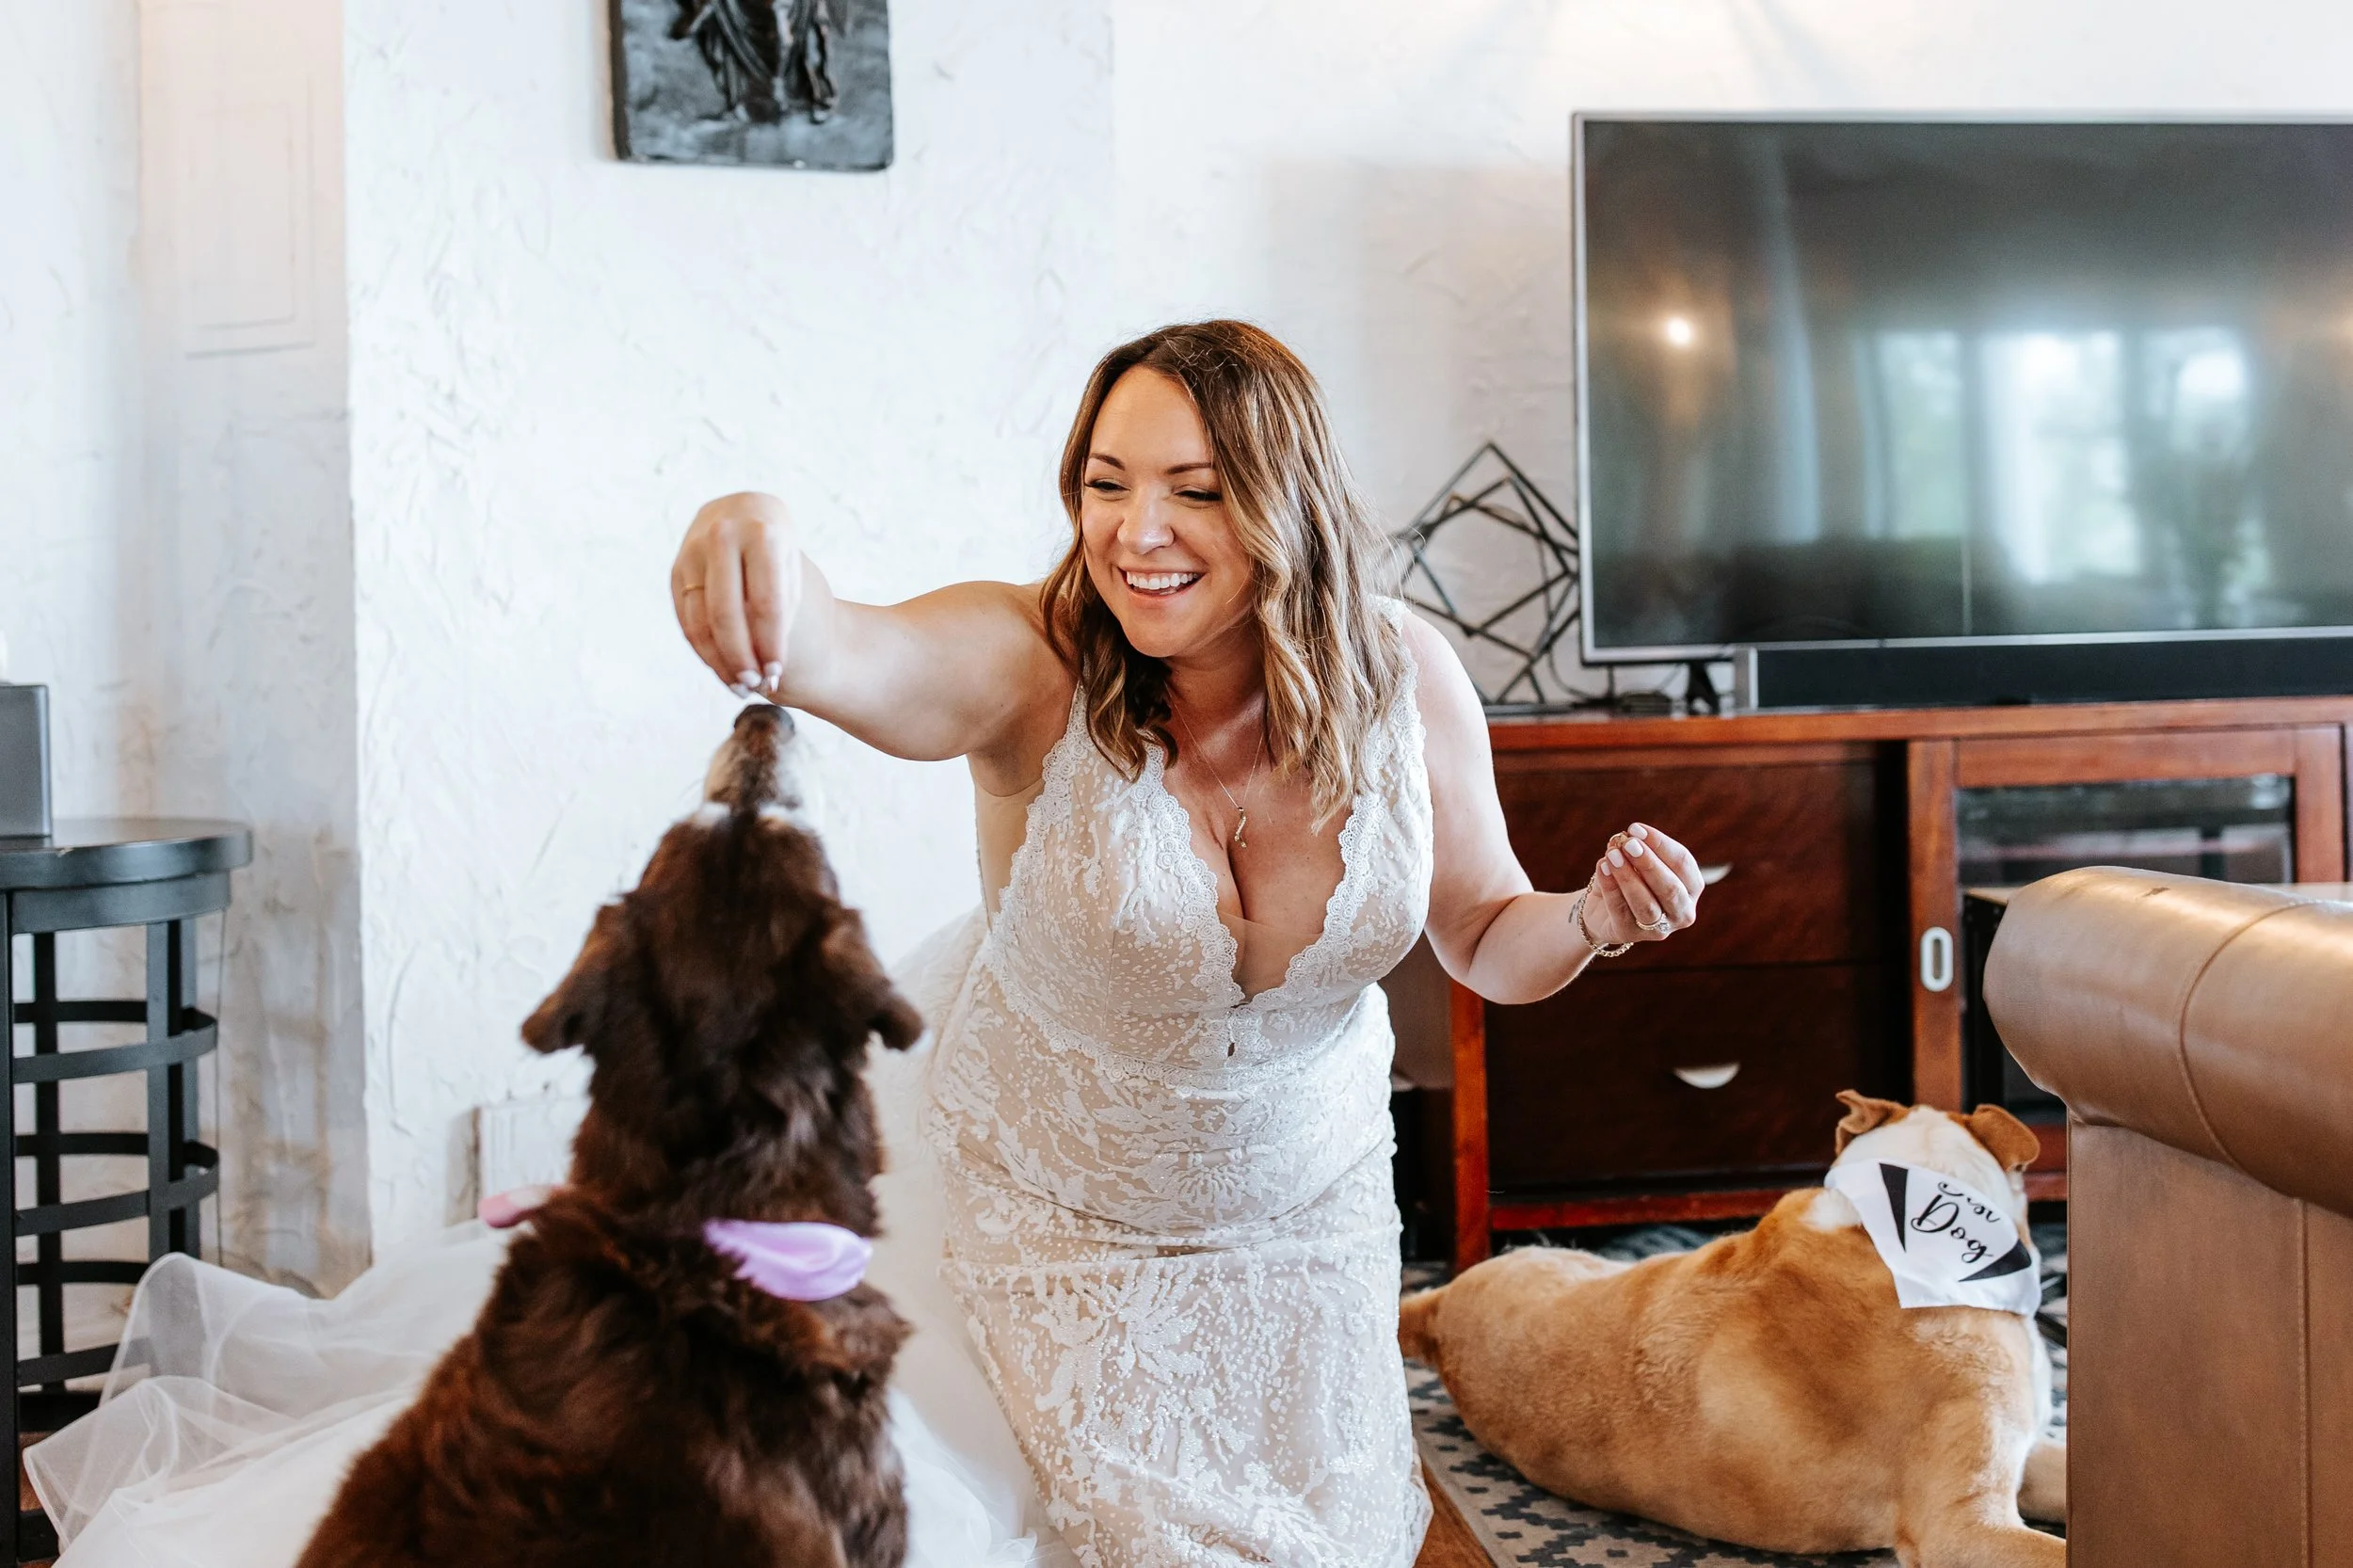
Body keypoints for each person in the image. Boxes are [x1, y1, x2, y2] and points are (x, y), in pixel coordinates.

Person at [669, 319, 1703, 1567]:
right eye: (1106, 485)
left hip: (1309, 1214)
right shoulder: (1029, 663)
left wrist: (1591, 919)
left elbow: (1485, 934)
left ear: (1286, 498)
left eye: (1194, 491)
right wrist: (751, 532)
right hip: (1061, 1224)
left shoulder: (1408, 676)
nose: (1134, 531)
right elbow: (844, 647)